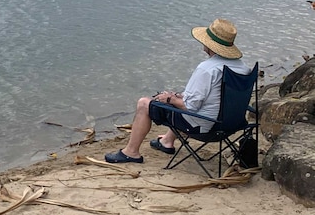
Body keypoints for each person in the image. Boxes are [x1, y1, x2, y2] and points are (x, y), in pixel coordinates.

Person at [104, 18, 248, 164]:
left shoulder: (207, 69)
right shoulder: (242, 67)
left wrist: (169, 99)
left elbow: (190, 107)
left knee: (144, 104)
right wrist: (177, 97)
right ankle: (166, 141)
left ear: (209, 44)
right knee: (179, 99)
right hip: (231, 124)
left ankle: (131, 152)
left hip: (205, 128)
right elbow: (215, 97)